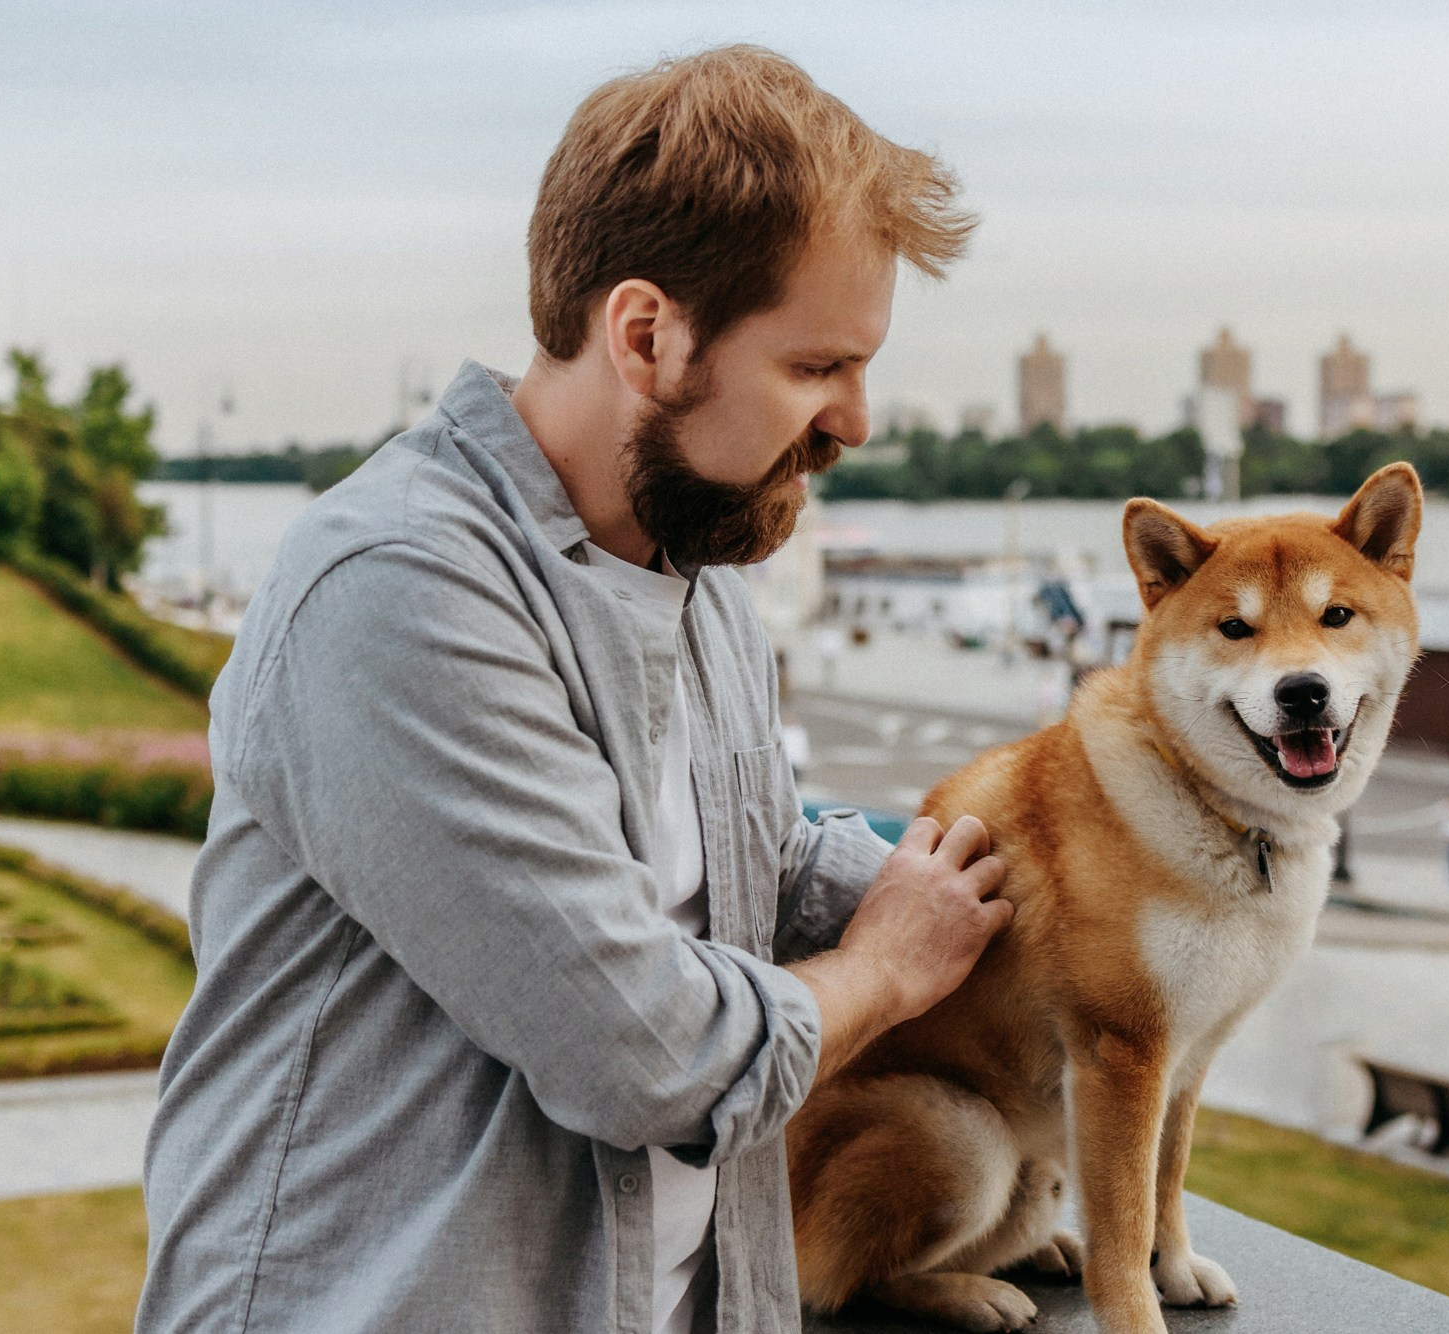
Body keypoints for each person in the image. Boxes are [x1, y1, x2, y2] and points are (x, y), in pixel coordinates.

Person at [137, 48, 1000, 1334]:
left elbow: (736, 863)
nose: (855, 420)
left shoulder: (695, 562)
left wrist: (1020, 861)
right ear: (646, 334)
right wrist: (883, 967)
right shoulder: (397, 587)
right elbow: (638, 1046)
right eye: (818, 365)